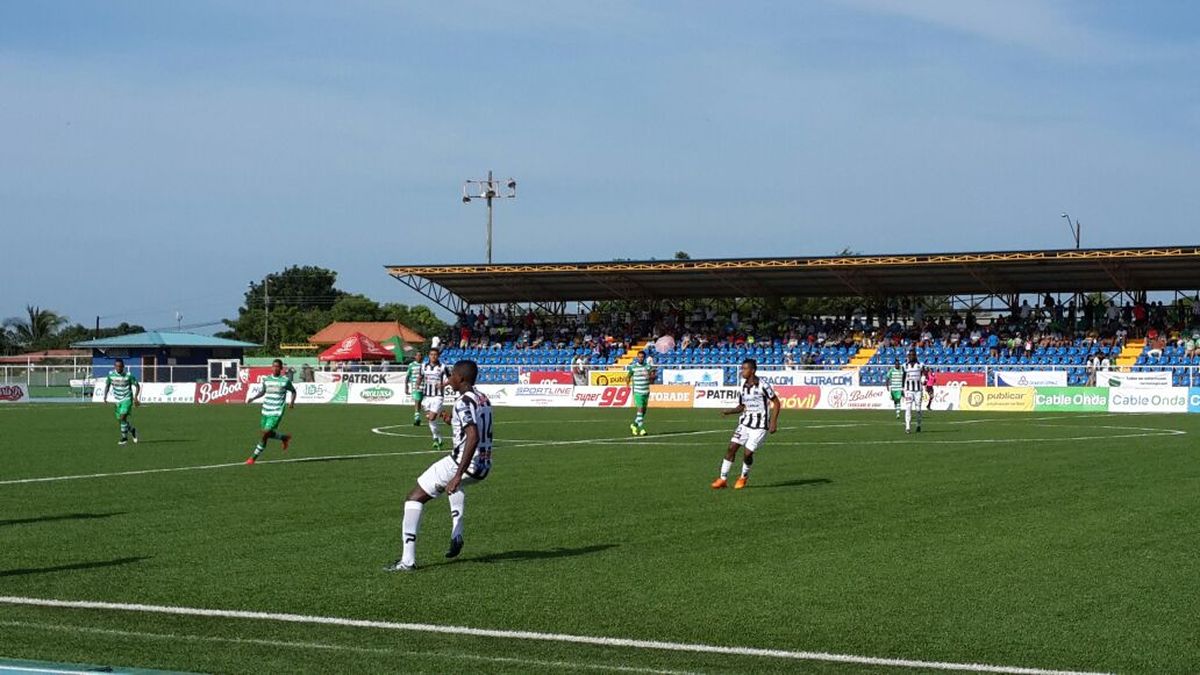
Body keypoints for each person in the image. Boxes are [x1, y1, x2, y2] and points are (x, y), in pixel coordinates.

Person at [388, 360, 493, 572]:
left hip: (463, 462)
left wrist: (457, 474)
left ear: (461, 379)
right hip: (484, 465)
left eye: (452, 375)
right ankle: (457, 531)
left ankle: (407, 561)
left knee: (414, 498)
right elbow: (472, 427)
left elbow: (472, 436)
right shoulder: (482, 398)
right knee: (454, 487)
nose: (449, 379)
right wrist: (450, 422)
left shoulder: (463, 401)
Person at [711, 359, 780, 490]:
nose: (742, 371)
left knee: (747, 453)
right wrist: (729, 411)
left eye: (745, 369)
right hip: (745, 423)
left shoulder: (763, 385)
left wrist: (773, 422)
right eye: (742, 368)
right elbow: (742, 406)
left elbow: (776, 402)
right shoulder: (744, 386)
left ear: (752, 370)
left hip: (760, 426)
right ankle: (723, 479)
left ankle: (743, 477)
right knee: (731, 448)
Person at [244, 359, 296, 465]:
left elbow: (293, 391)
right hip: (265, 410)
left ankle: (252, 458)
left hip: (276, 411)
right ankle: (284, 438)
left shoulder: (285, 381)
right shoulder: (266, 379)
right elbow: (263, 391)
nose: (275, 368)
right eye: (274, 366)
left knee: (265, 433)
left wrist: (291, 402)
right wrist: (253, 398)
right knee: (266, 433)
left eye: (277, 366)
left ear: (281, 368)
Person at [102, 359, 141, 445]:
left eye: (120, 366)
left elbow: (137, 386)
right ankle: (132, 430)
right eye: (117, 366)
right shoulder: (111, 375)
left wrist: (135, 397)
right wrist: (105, 396)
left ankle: (124, 438)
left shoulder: (128, 375)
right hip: (117, 400)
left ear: (123, 366)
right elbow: (107, 385)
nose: (118, 368)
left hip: (127, 399)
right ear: (114, 367)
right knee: (121, 420)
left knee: (123, 417)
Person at [420, 347, 453, 450]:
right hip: (426, 396)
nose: (433, 356)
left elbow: (451, 378)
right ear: (428, 356)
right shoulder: (424, 366)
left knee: (431, 417)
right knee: (431, 418)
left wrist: (443, 385)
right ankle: (442, 415)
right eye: (431, 354)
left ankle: (436, 438)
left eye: (435, 354)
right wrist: (417, 385)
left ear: (438, 356)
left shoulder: (443, 367)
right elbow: (420, 377)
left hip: (438, 396)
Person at [626, 351, 655, 436]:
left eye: (642, 357)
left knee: (643, 412)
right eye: (639, 357)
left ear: (644, 358)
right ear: (637, 357)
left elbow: (653, 377)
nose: (640, 358)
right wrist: (627, 385)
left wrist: (649, 377)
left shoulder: (648, 367)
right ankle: (642, 429)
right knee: (640, 409)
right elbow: (628, 376)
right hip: (637, 392)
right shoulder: (633, 367)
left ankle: (634, 425)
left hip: (646, 391)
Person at [902, 350, 924, 434]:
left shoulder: (920, 365)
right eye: (909, 355)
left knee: (918, 409)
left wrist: (924, 379)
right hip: (908, 390)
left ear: (915, 356)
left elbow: (924, 374)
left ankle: (918, 424)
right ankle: (907, 427)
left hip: (918, 390)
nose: (911, 356)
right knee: (908, 408)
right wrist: (902, 389)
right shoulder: (904, 366)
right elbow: (903, 378)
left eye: (913, 355)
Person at [406, 353, 424, 426]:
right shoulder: (411, 365)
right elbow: (407, 376)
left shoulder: (424, 365)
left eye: (421, 355)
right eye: (418, 355)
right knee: (417, 400)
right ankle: (417, 418)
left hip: (424, 386)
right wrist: (406, 386)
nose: (419, 357)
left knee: (421, 402)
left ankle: (418, 416)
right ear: (415, 356)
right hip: (415, 386)